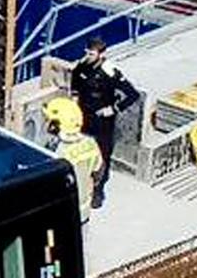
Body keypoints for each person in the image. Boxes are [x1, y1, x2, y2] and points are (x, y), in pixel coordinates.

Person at [70, 37, 139, 208]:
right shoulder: (81, 67)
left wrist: (113, 109)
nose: (88, 56)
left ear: (101, 54)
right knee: (81, 152)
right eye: (86, 52)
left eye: (91, 53)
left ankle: (98, 189)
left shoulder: (110, 72)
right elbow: (75, 86)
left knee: (102, 156)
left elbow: (132, 95)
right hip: (84, 117)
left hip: (102, 121)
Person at [43, 97, 103, 224]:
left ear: (56, 126)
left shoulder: (57, 152)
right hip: (83, 210)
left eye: (49, 121)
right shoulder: (90, 143)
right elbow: (98, 172)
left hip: (61, 212)